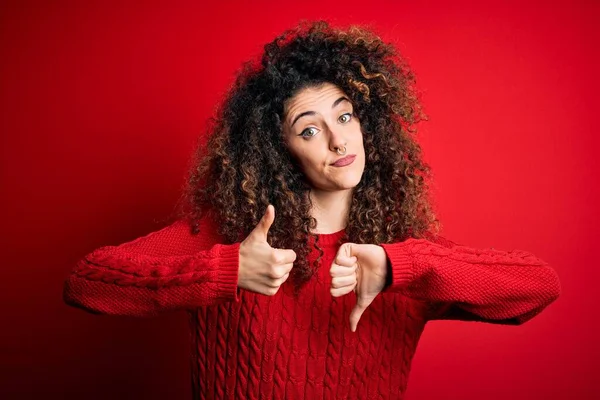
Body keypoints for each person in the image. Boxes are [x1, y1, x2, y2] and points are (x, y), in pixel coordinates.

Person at [63, 20, 561, 399]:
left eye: (344, 115)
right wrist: (226, 270)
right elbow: (86, 283)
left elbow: (538, 287)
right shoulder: (227, 238)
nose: (338, 138)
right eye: (309, 129)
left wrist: (402, 267)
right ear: (278, 150)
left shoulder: (395, 259)